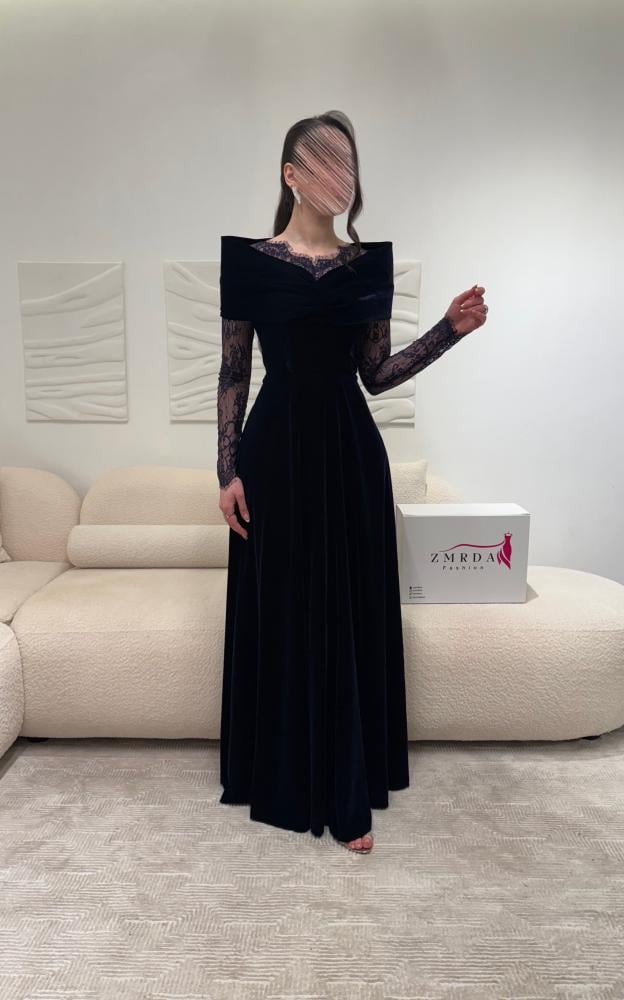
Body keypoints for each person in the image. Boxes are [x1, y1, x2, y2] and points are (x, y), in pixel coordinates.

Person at [217, 110, 488, 854]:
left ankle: (346, 787)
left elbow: (376, 374)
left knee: (345, 608)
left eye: (349, 162)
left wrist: (447, 331)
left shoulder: (368, 266)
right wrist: (227, 469)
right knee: (287, 606)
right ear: (291, 175)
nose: (341, 174)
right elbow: (233, 373)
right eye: (325, 161)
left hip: (349, 455)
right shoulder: (248, 262)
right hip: (274, 455)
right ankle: (287, 775)